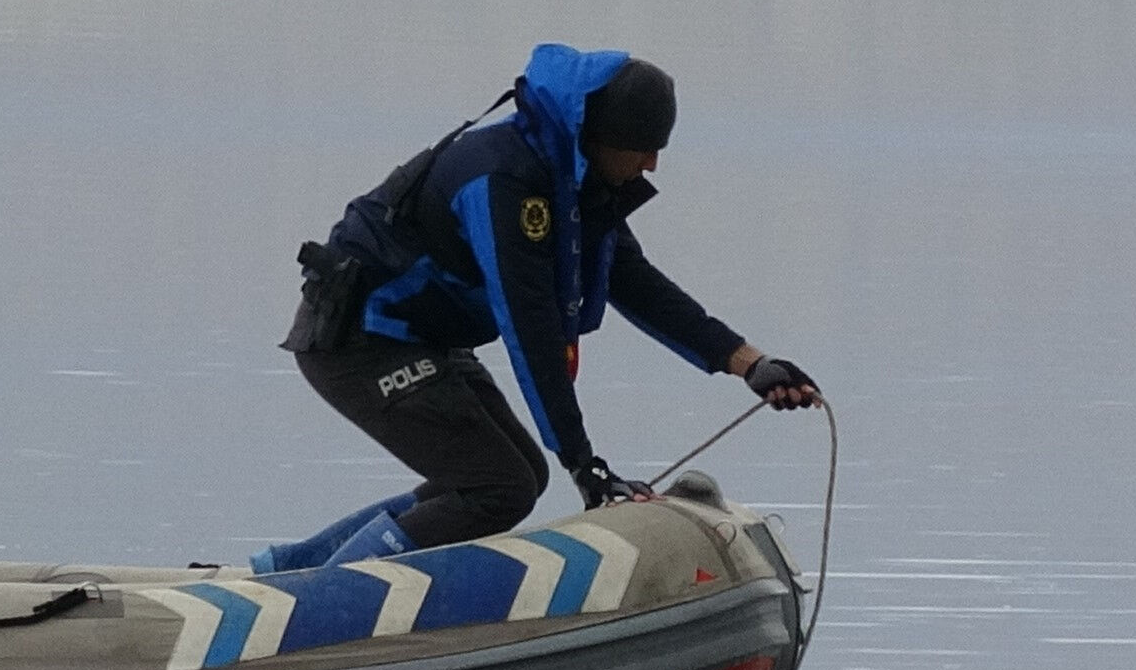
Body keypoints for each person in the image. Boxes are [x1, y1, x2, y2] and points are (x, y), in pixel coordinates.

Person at [254, 43, 819, 573]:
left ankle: (288, 571)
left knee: (515, 475)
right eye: (642, 148)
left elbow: (639, 285)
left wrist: (751, 363)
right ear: (599, 135)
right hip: (359, 339)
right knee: (496, 487)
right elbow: (530, 329)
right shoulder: (503, 181)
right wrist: (585, 464)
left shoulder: (571, 180)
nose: (651, 164)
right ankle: (313, 600)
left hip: (420, 337)